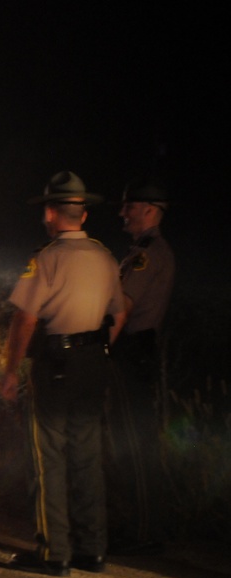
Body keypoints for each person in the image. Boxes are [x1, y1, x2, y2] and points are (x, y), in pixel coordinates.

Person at [0, 171, 127, 577]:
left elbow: (25, 320)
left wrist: (10, 370)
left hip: (55, 365)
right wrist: (99, 349)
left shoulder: (47, 259)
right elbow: (120, 313)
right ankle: (93, 550)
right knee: (88, 456)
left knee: (47, 457)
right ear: (83, 216)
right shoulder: (105, 257)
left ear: (53, 213)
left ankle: (54, 553)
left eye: (47, 212)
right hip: (94, 363)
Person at [104, 177, 176, 555]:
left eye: (129, 206)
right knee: (129, 440)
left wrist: (100, 354)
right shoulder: (147, 250)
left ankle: (145, 532)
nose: (122, 213)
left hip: (131, 352)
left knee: (133, 442)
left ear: (149, 210)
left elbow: (123, 308)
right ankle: (139, 527)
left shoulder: (147, 253)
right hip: (134, 352)